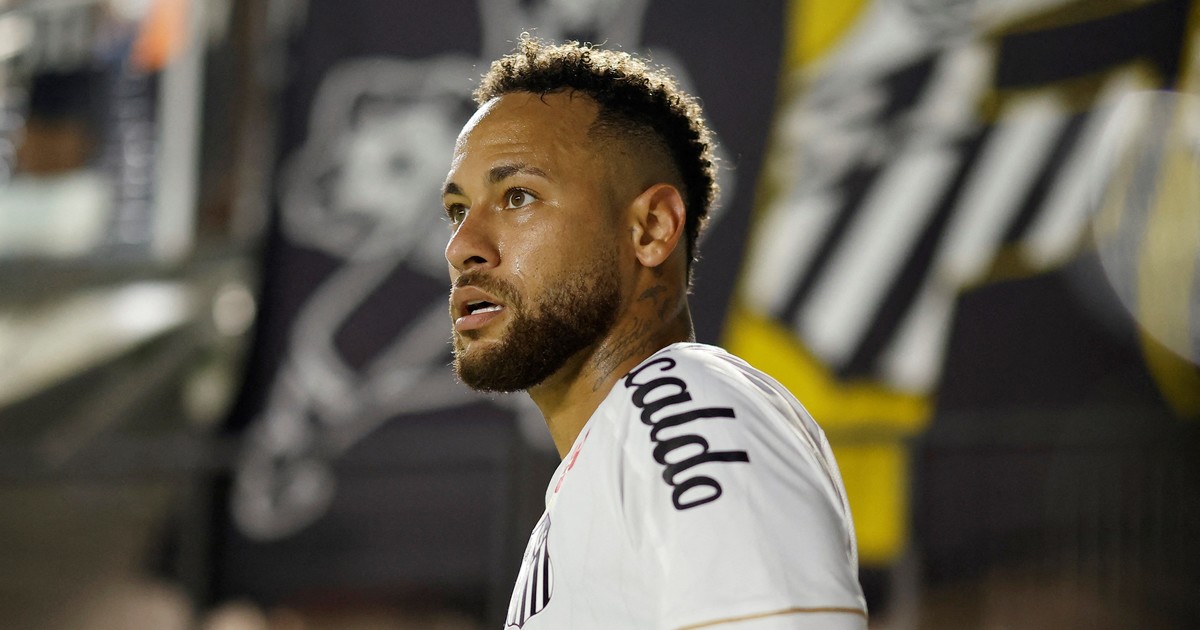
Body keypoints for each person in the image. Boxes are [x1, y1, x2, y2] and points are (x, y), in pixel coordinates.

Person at [442, 35, 867, 629]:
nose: (461, 247)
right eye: (458, 210)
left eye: (518, 197)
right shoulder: (598, 478)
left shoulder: (681, 401)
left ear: (652, 228)